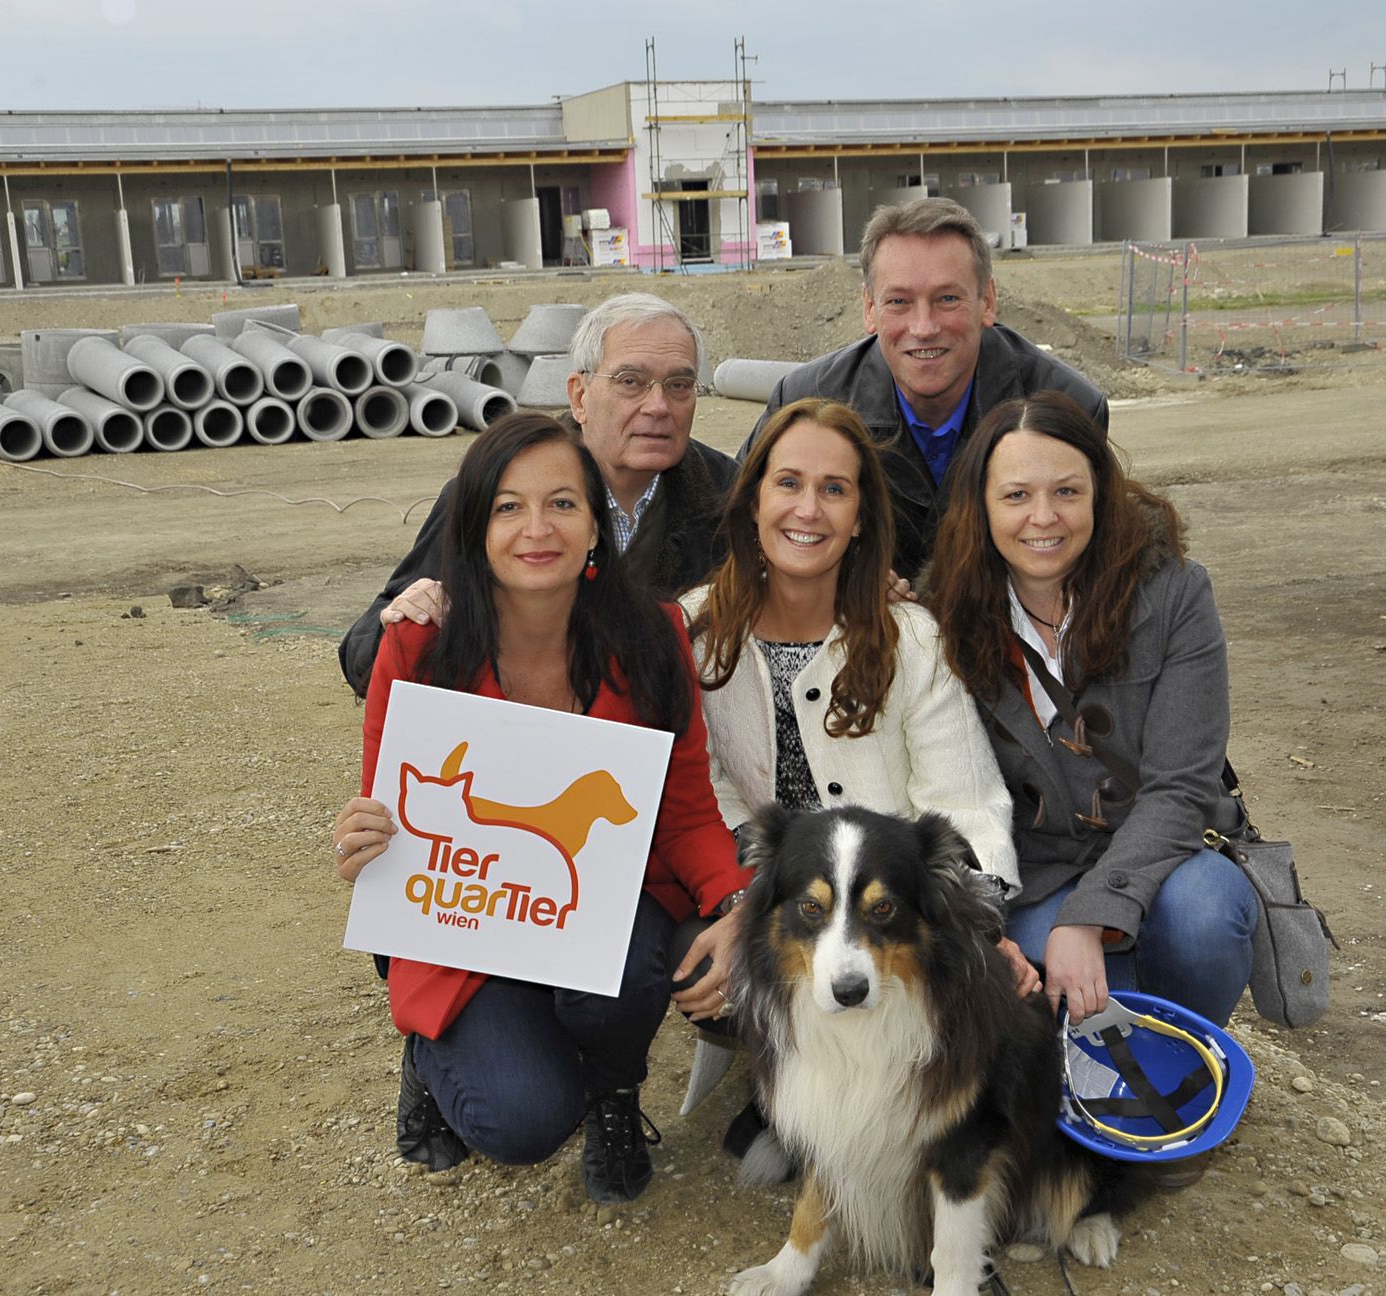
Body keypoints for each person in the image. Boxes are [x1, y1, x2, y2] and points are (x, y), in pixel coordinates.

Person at [331, 411, 751, 1205]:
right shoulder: (419, 644)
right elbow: (388, 815)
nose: (537, 529)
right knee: (522, 1121)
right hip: (468, 924)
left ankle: (616, 1091)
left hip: (600, 914)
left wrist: (737, 904)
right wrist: (362, 837)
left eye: (562, 503)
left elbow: (686, 809)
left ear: (599, 524)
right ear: (474, 525)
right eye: (508, 507)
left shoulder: (653, 637)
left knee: (625, 974)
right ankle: (434, 1059)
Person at [671, 396, 1032, 1179]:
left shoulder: (912, 636)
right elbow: (700, 795)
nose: (809, 508)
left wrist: (982, 925)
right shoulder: (695, 633)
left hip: (886, 909)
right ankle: (791, 1090)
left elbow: (963, 801)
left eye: (835, 489)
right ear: (754, 498)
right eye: (788, 483)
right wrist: (743, 903)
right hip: (770, 897)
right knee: (705, 957)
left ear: (863, 516)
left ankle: (871, 1118)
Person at [926, 390, 1257, 1038]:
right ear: (981, 507)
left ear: (1100, 495)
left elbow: (1182, 786)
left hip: (1165, 858)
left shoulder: (1174, 595)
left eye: (1068, 492)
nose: (1043, 517)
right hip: (1036, 873)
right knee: (1087, 1014)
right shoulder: (944, 615)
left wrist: (1090, 916)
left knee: (1204, 917)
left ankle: (1187, 1056)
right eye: (1016, 495)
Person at [338, 293, 737, 697]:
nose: (658, 406)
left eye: (679, 385)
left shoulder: (732, 498)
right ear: (579, 396)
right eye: (630, 382)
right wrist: (408, 619)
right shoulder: (494, 490)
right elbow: (364, 653)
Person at [742, 198, 1109, 581]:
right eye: (899, 301)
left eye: (947, 299)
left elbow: (1096, 554)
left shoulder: (1067, 407)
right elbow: (740, 526)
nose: (924, 327)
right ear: (869, 308)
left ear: (988, 301)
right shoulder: (808, 400)